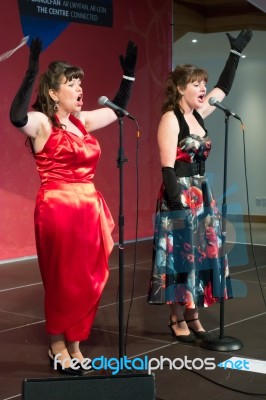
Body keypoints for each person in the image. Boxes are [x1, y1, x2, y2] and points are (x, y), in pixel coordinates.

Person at [9, 38, 137, 374]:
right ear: (53, 93)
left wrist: (129, 77)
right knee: (62, 278)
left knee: (89, 277)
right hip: (58, 208)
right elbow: (16, 115)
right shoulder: (42, 123)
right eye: (71, 83)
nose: (80, 87)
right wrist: (32, 71)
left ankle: (76, 343)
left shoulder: (82, 122)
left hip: (88, 208)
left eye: (80, 81)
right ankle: (56, 344)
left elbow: (117, 108)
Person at [147, 29, 253, 342]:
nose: (203, 88)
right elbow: (167, 165)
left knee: (201, 255)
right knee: (181, 256)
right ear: (180, 88)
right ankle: (176, 317)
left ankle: (193, 315)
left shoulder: (199, 114)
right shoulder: (171, 118)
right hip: (178, 192)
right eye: (196, 84)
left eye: (202, 83)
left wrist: (234, 55)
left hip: (201, 192)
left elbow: (222, 90)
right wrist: (177, 204)